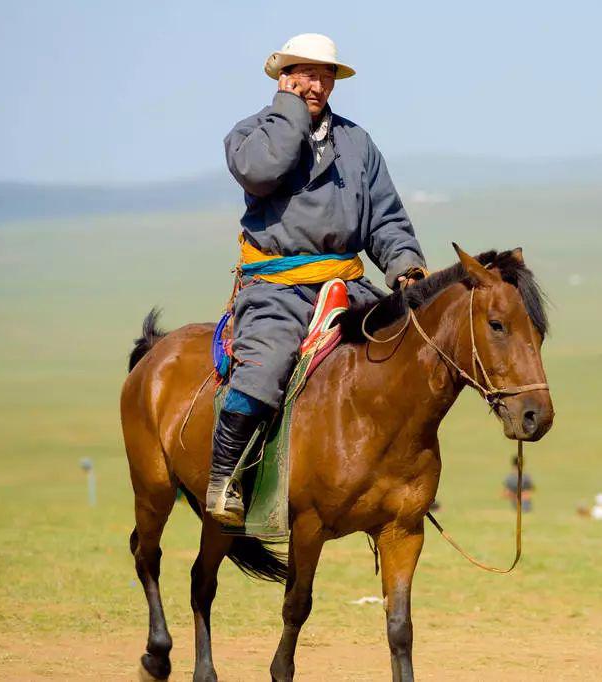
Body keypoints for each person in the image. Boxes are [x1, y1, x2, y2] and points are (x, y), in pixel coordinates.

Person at [208, 34, 428, 526]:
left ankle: (398, 479)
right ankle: (224, 480)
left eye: (326, 76)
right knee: (265, 366)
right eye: (306, 75)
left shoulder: (357, 142)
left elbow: (385, 217)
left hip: (347, 283)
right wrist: (289, 112)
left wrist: (405, 266)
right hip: (277, 288)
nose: (317, 85)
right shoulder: (249, 134)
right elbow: (262, 172)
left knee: (403, 356)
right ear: (283, 78)